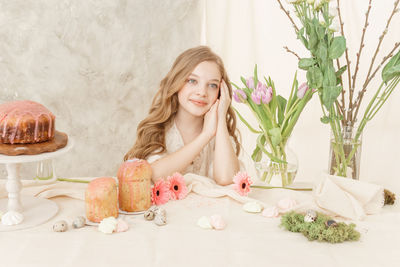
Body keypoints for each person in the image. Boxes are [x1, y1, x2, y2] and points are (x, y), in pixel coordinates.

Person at [124, 46, 241, 185]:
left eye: (212, 85)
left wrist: (221, 117)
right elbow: (154, 175)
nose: (202, 92)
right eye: (192, 81)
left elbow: (227, 179)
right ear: (177, 82)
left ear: (221, 93)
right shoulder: (159, 131)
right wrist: (205, 135)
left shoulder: (220, 137)